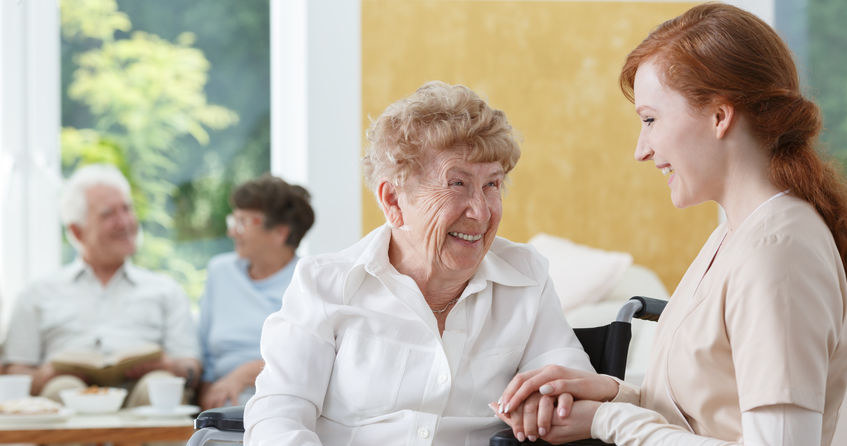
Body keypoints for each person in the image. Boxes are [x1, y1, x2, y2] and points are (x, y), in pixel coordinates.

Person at [495, 3, 847, 445]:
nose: (641, 149)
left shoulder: (778, 252)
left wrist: (609, 422)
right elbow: (707, 414)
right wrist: (614, 395)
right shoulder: (737, 234)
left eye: (650, 119)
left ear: (720, 116)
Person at [243, 81, 594, 445]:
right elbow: (278, 416)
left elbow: (571, 383)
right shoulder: (325, 284)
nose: (481, 211)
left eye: (492, 185)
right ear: (393, 199)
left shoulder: (525, 276)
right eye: (457, 183)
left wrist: (551, 396)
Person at [2, 164, 201, 405]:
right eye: (108, 214)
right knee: (62, 388)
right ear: (77, 232)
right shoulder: (37, 293)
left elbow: (191, 365)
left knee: (158, 385)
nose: (125, 222)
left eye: (127, 209)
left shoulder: (166, 289)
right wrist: (44, 375)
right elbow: (14, 371)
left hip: (142, 395)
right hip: (66, 398)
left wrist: (170, 365)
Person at [197, 175, 314, 410]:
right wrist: (204, 400)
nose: (232, 232)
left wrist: (243, 375)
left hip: (281, 399)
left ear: (280, 232)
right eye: (234, 220)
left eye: (243, 222)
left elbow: (308, 358)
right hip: (220, 400)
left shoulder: (309, 280)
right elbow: (205, 354)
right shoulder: (221, 272)